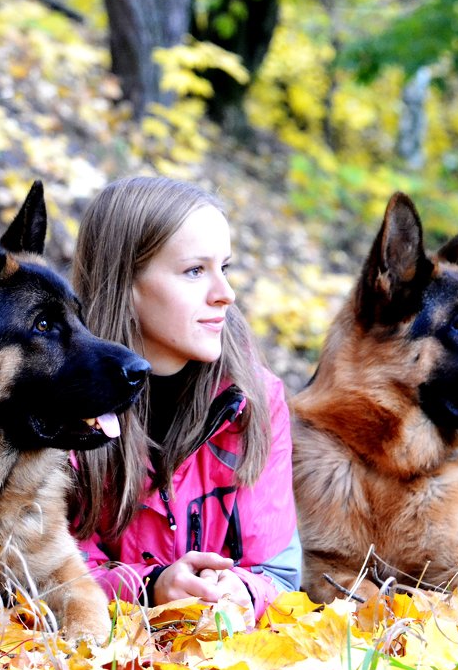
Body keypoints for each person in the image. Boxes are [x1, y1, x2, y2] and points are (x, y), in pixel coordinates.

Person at [71, 175, 301, 621]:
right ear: (125, 283)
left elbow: (280, 571)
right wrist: (150, 587)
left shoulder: (253, 401)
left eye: (225, 268)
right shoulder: (62, 410)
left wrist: (243, 590)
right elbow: (42, 574)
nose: (225, 294)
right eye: (195, 271)